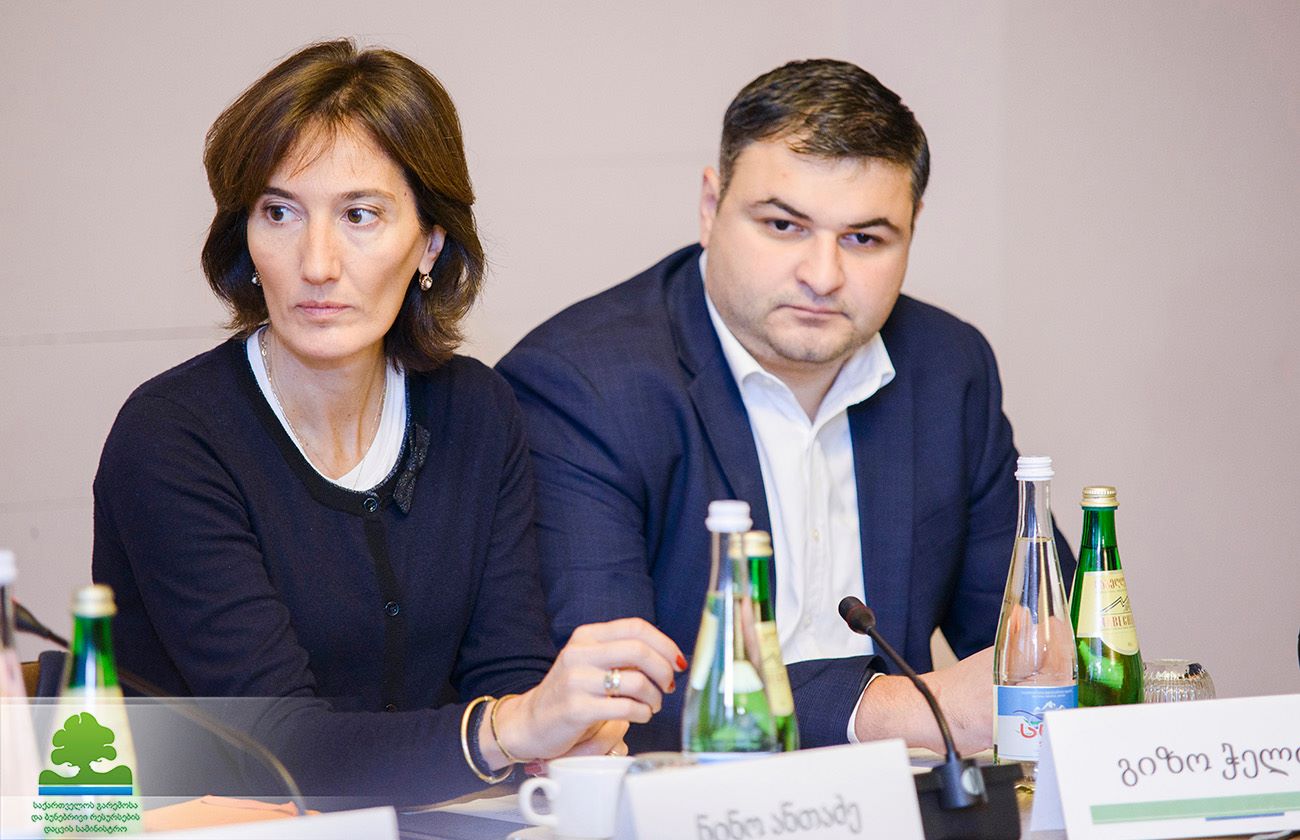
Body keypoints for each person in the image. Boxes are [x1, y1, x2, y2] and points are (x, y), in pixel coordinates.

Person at [91, 39, 684, 805]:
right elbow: (278, 751)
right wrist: (511, 731)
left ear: (430, 242)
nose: (316, 263)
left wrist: (560, 733)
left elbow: (507, 673)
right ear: (246, 236)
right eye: (279, 212)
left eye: (359, 215)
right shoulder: (172, 438)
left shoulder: (474, 409)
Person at [497, 59, 1074, 755]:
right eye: (783, 225)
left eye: (864, 238)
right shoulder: (582, 386)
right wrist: (884, 710)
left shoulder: (948, 369)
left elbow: (1042, 647)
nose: (823, 276)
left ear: (912, 230)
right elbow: (604, 698)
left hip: (903, 802)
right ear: (710, 207)